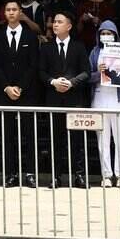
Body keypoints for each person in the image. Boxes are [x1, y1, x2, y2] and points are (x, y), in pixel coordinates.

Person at [37, 10, 90, 187]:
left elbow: (86, 72)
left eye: (60, 22)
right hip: (54, 99)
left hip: (74, 100)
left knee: (77, 140)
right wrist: (53, 82)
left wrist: (71, 82)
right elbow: (41, 72)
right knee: (55, 140)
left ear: (69, 26)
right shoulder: (46, 47)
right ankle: (55, 176)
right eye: (54, 22)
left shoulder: (79, 46)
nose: (55, 25)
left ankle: (79, 175)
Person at [0, 0, 40, 188]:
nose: (11, 13)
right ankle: (10, 173)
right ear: (5, 14)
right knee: (7, 134)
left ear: (20, 12)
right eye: (8, 10)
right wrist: (6, 86)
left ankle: (30, 172)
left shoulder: (30, 36)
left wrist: (20, 86)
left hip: (26, 91)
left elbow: (33, 65)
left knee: (29, 133)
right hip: (5, 91)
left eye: (14, 10)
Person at [89, 20, 120, 188]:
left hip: (119, 99)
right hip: (99, 98)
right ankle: (106, 174)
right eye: (103, 33)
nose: (106, 36)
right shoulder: (94, 52)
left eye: (109, 33)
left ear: (116, 35)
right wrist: (99, 73)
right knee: (102, 140)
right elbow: (87, 76)